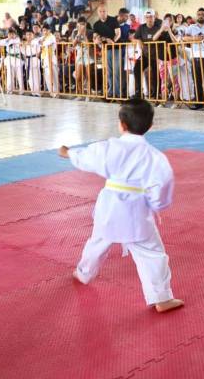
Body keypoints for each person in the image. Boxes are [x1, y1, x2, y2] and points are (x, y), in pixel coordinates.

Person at [61, 98, 183, 313]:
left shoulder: (109, 147)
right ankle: (161, 297)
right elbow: (163, 184)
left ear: (121, 124)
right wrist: (156, 204)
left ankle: (83, 272)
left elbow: (89, 157)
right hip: (137, 211)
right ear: (150, 127)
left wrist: (69, 153)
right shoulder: (154, 157)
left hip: (110, 206)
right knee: (152, 253)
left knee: (98, 241)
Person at [0, 29, 24, 94]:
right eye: (9, 34)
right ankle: (9, 90)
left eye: (12, 34)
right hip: (9, 58)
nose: (11, 35)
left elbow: (13, 42)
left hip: (17, 58)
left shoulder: (18, 39)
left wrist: (9, 40)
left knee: (19, 75)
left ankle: (21, 90)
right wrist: (7, 39)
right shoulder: (7, 40)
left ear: (15, 34)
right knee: (9, 74)